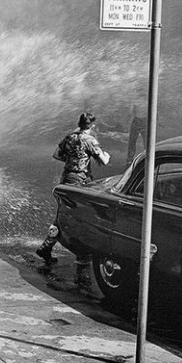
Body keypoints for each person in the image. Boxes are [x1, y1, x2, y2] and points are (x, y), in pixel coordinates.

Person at [36, 111, 110, 292]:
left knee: (62, 213)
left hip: (67, 177)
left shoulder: (69, 137)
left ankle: (47, 246)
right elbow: (104, 161)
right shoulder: (90, 140)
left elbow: (56, 154)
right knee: (77, 216)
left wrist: (71, 159)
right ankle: (80, 255)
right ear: (92, 125)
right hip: (81, 181)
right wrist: (106, 155)